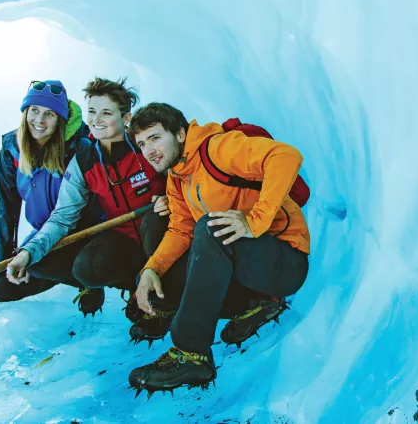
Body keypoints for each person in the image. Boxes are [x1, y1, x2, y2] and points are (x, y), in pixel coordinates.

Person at [125, 102, 311, 394]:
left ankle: (192, 354)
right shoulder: (177, 176)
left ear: (180, 134)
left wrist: (255, 221)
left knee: (210, 227)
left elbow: (285, 155)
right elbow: (180, 230)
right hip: (244, 269)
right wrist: (151, 269)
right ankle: (256, 304)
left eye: (155, 137)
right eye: (142, 144)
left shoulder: (218, 149)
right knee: (161, 284)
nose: (149, 150)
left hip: (284, 262)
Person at [4, 77, 171, 332]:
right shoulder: (84, 162)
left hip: (163, 233)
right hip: (124, 238)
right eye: (92, 112)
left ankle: (164, 299)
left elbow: (181, 174)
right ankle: (136, 287)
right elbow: (62, 217)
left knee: (153, 221)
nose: (97, 119)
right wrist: (29, 251)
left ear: (126, 117)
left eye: (107, 113)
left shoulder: (144, 146)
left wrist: (172, 197)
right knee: (86, 267)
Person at [0, 80, 105, 316]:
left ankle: (87, 280)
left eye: (49, 114)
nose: (39, 121)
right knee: (1, 288)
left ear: (60, 119)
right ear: (25, 112)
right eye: (34, 111)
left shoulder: (78, 148)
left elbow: (92, 206)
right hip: (46, 232)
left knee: (40, 263)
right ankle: (63, 272)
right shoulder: (12, 150)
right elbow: (6, 209)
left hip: (80, 234)